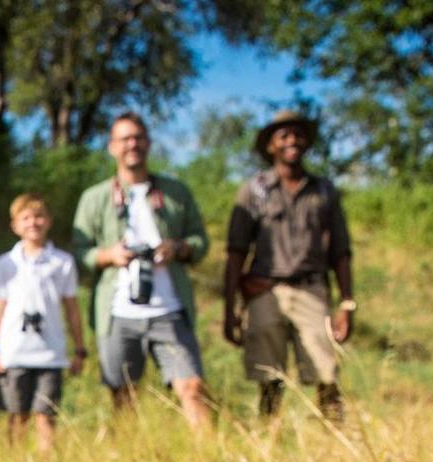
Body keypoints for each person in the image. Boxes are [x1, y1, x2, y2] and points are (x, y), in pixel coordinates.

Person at [71, 112, 212, 429]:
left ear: (148, 143)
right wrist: (109, 255)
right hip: (117, 311)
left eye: (138, 137)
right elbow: (80, 252)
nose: (132, 144)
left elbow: (201, 242)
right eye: (124, 139)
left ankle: (211, 454)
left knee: (192, 387)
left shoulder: (176, 192)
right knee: (122, 396)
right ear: (112, 147)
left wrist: (178, 248)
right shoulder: (95, 198)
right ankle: (129, 455)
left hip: (170, 309)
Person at [223, 109, 355, 423]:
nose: (291, 141)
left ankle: (336, 437)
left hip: (311, 289)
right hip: (265, 291)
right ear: (271, 145)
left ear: (307, 142)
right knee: (269, 375)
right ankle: (268, 436)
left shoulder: (323, 191)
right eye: (283, 135)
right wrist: (230, 307)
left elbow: (341, 251)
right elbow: (236, 252)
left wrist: (347, 303)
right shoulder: (255, 191)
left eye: (298, 134)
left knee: (326, 371)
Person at [0, 193, 87, 453]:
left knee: (46, 415)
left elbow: (72, 308)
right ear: (15, 225)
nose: (33, 222)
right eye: (26, 218)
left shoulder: (62, 261)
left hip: (50, 354)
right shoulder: (7, 262)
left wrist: (79, 349)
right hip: (14, 352)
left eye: (39, 216)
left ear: (49, 221)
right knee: (16, 414)